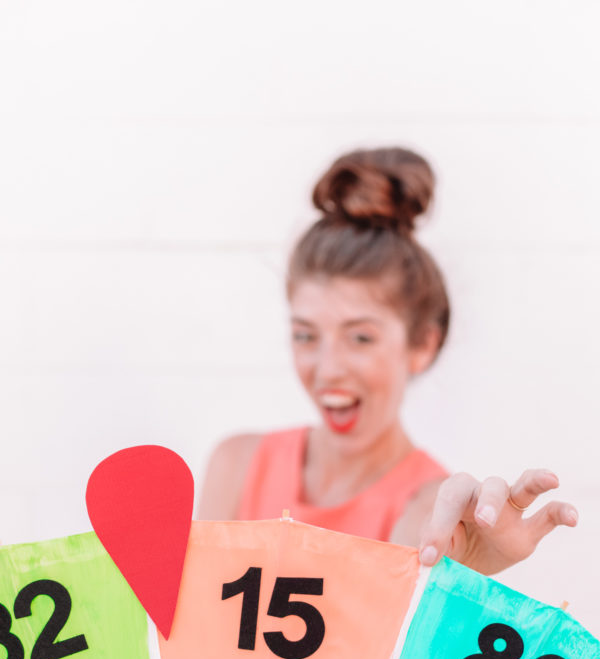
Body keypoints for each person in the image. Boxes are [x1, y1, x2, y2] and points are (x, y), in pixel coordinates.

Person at [198, 147, 577, 575]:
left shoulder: (434, 518)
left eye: (360, 337)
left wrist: (468, 578)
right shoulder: (236, 466)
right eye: (305, 335)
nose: (327, 368)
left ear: (422, 346)